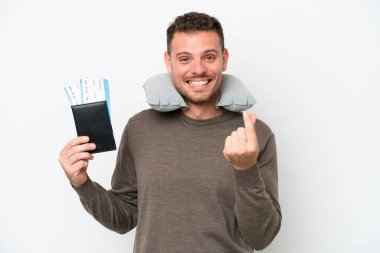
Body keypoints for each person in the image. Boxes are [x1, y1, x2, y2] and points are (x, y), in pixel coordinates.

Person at [59, 12, 281, 253]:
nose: (198, 69)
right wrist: (82, 183)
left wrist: (246, 169)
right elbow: (124, 218)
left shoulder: (256, 135)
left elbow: (261, 237)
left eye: (209, 56)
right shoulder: (140, 128)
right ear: (169, 62)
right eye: (185, 58)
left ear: (224, 59)